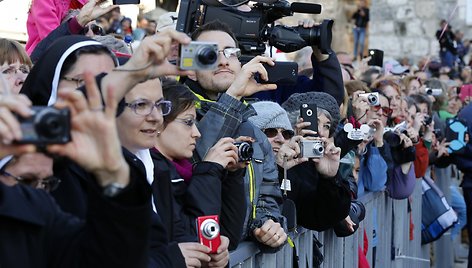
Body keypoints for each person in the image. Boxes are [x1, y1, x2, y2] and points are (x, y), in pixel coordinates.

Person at [0, 73, 152, 268]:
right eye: (26, 180)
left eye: (47, 183)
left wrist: (113, 174)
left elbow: (109, 260)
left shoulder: (36, 207)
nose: (37, 189)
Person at [184, 20, 288, 251]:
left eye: (230, 53)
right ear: (190, 70)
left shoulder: (254, 132)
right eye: (209, 53)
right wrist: (233, 96)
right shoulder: (176, 119)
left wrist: (267, 225)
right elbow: (202, 162)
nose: (223, 60)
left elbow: (267, 197)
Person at [153, 81, 246, 252]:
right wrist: (209, 170)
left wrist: (232, 175)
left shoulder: (184, 171)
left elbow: (228, 237)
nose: (197, 133)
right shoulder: (154, 172)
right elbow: (198, 240)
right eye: (188, 122)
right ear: (158, 122)